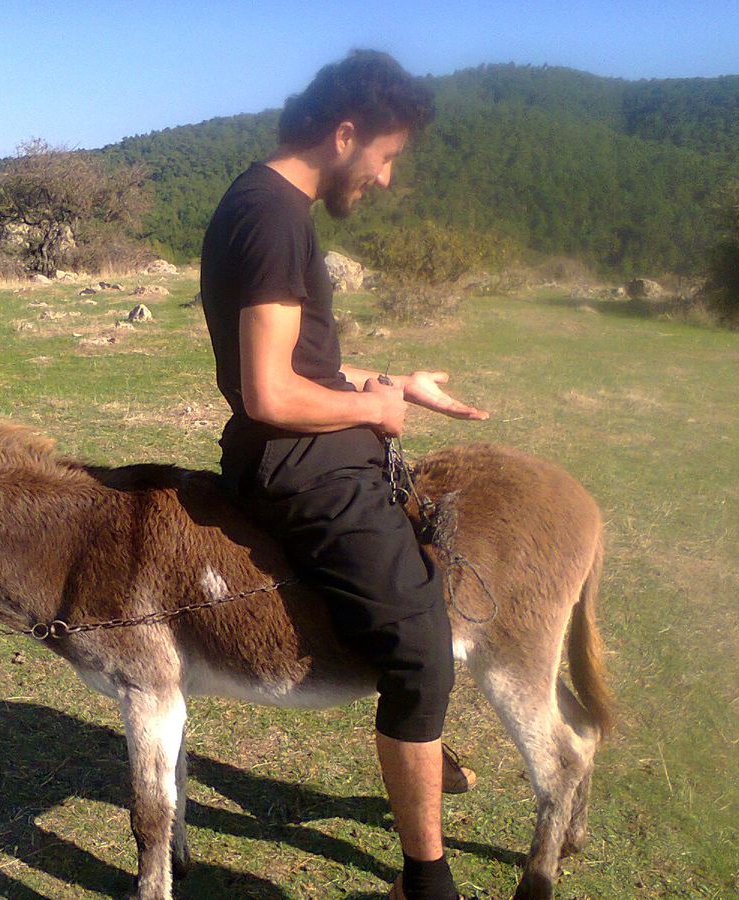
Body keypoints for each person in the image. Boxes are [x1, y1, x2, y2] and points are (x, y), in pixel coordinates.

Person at [200, 50, 489, 900]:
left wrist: (392, 386)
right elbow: (268, 392)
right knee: (422, 654)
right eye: (388, 156)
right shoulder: (273, 216)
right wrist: (371, 411)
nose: (388, 178)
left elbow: (304, 364)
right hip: (301, 471)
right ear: (346, 133)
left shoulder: (274, 203)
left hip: (318, 451)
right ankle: (423, 883)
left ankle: (424, 749)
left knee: (431, 589)